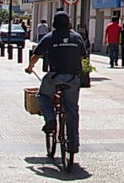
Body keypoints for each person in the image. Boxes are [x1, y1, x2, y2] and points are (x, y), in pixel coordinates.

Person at [25, 12, 86, 153]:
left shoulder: (50, 37)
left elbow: (36, 55)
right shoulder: (76, 37)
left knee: (43, 96)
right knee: (72, 110)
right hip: (72, 78)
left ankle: (51, 120)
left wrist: (30, 67)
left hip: (54, 77)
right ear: (69, 22)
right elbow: (83, 56)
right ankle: (73, 144)